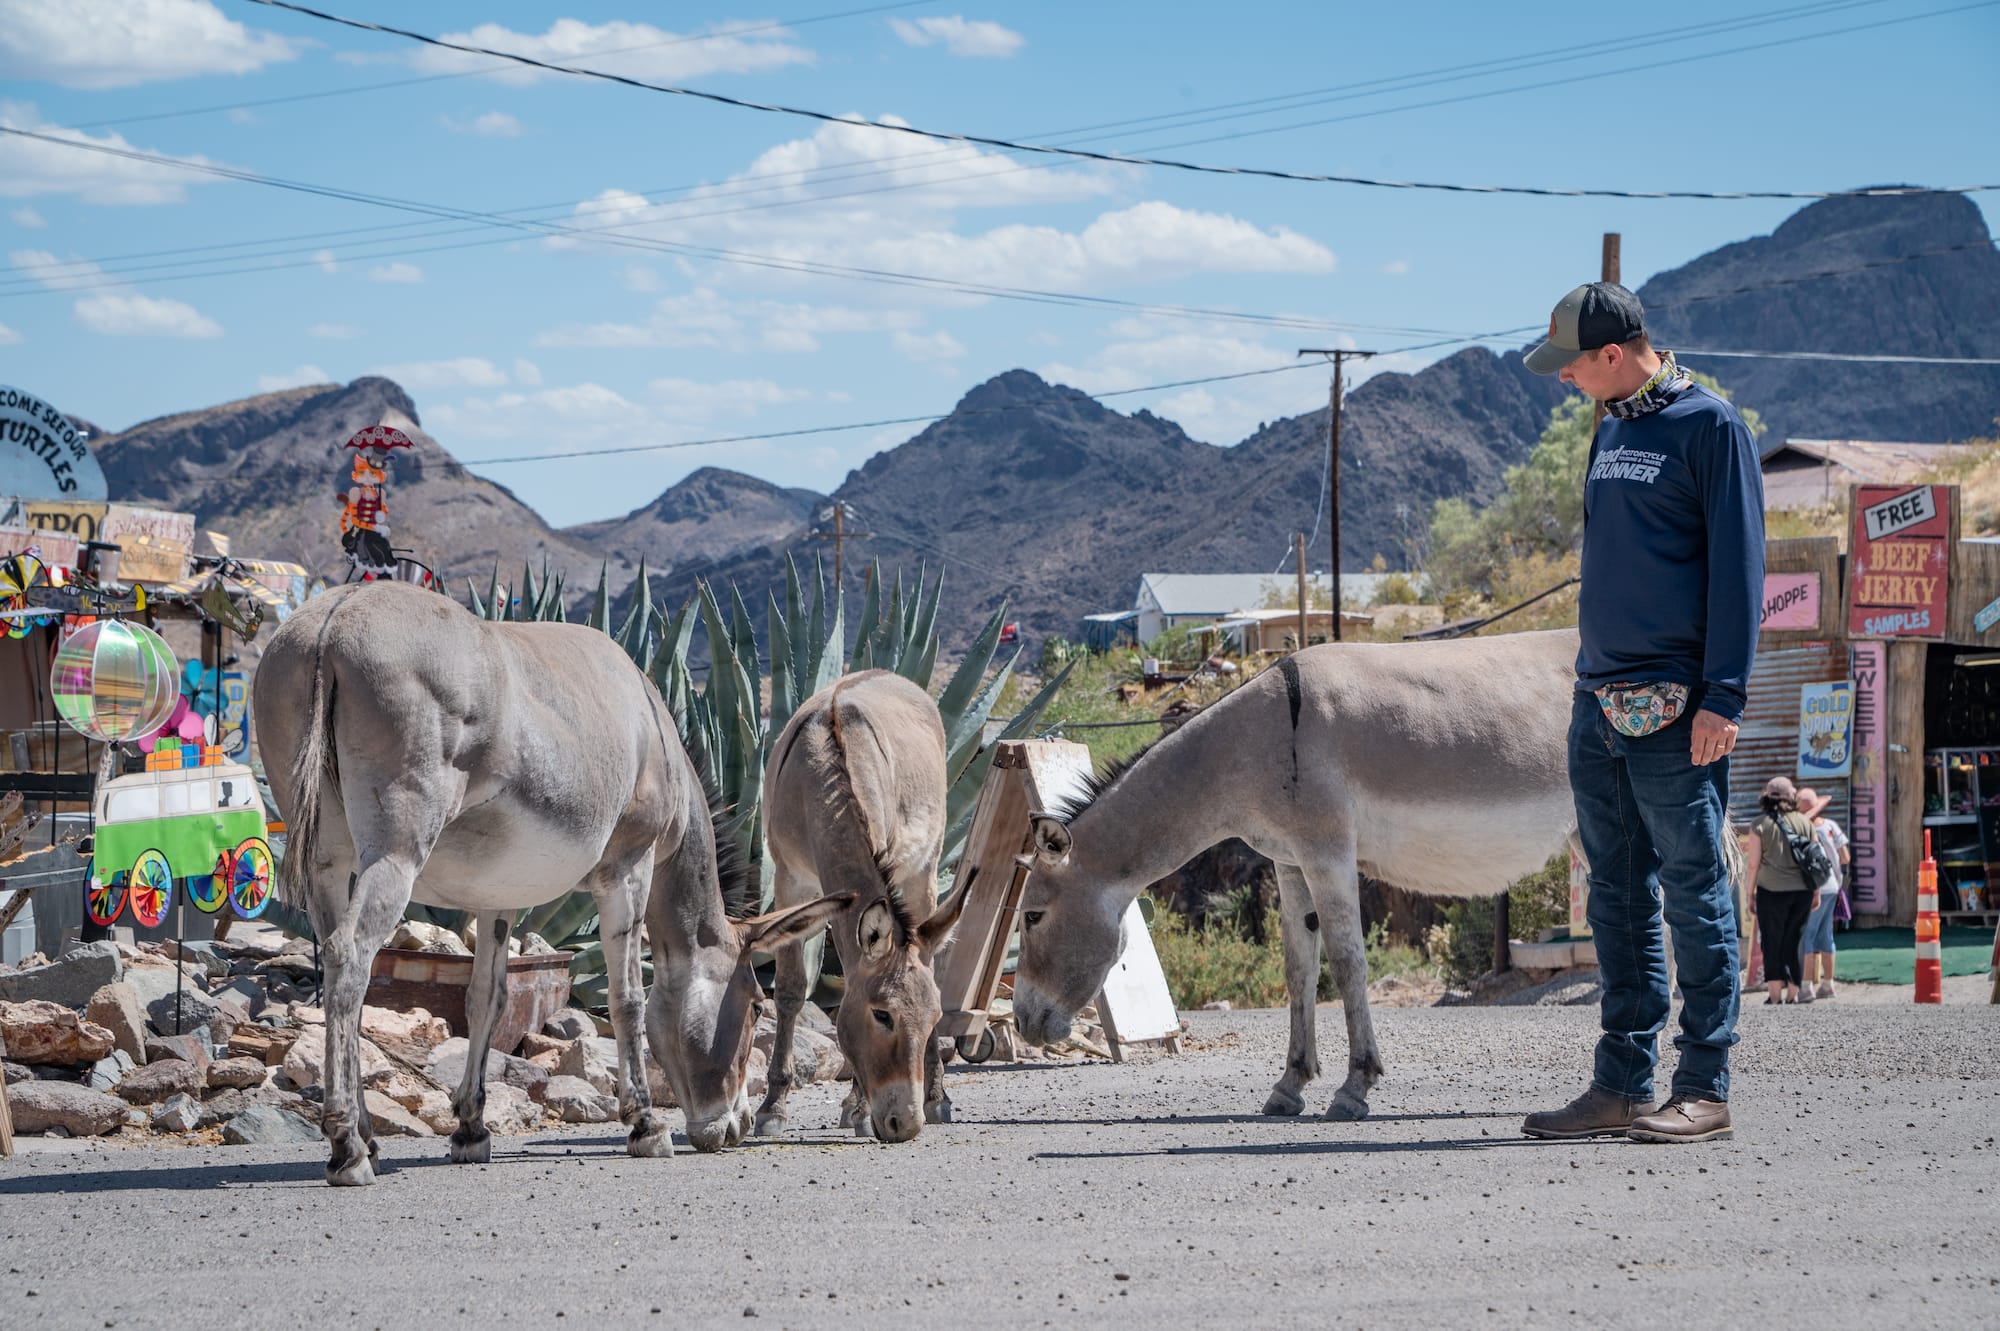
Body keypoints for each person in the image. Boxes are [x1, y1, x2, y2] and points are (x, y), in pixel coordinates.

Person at [1517, 282, 1764, 1146]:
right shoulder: (1614, 425)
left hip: (1676, 707)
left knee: (1695, 893)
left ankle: (1705, 1085)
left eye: (1573, 363)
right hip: (1599, 703)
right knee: (1617, 896)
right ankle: (1621, 1085)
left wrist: (1723, 696)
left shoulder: (1711, 427)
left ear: (1614, 354)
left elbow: (1739, 571)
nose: (1565, 379)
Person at [1744, 777, 1818, 1004]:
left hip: (1770, 891)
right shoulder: (1806, 823)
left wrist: (1749, 894)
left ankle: (1775, 996)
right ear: (1792, 797)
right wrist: (1816, 892)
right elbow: (1815, 860)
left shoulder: (1759, 824)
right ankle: (1794, 994)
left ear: (1766, 797)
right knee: (1795, 939)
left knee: (1772, 941)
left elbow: (1753, 863)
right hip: (1802, 892)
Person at [1794, 785, 1849, 999]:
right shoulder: (1830, 826)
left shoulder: (1800, 830)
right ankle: (1828, 985)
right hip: (1832, 886)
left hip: (1811, 888)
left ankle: (1806, 987)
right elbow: (1845, 858)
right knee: (1826, 935)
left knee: (1806, 936)